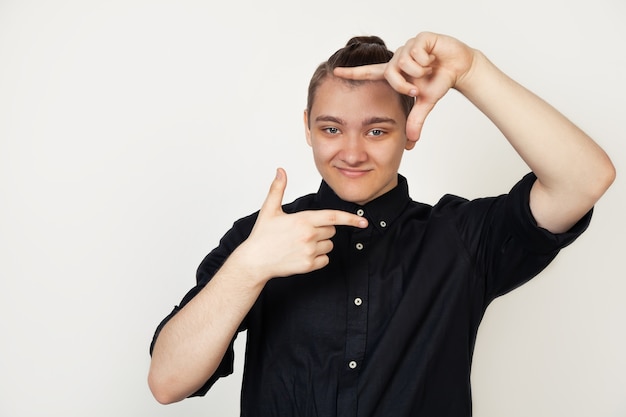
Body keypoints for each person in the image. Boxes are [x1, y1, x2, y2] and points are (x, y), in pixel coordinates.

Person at [148, 32, 615, 416]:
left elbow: (585, 179)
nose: (351, 153)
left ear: (409, 131)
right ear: (307, 127)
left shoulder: (462, 239)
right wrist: (248, 268)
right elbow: (168, 382)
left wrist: (470, 70)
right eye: (331, 129)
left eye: (376, 130)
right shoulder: (262, 238)